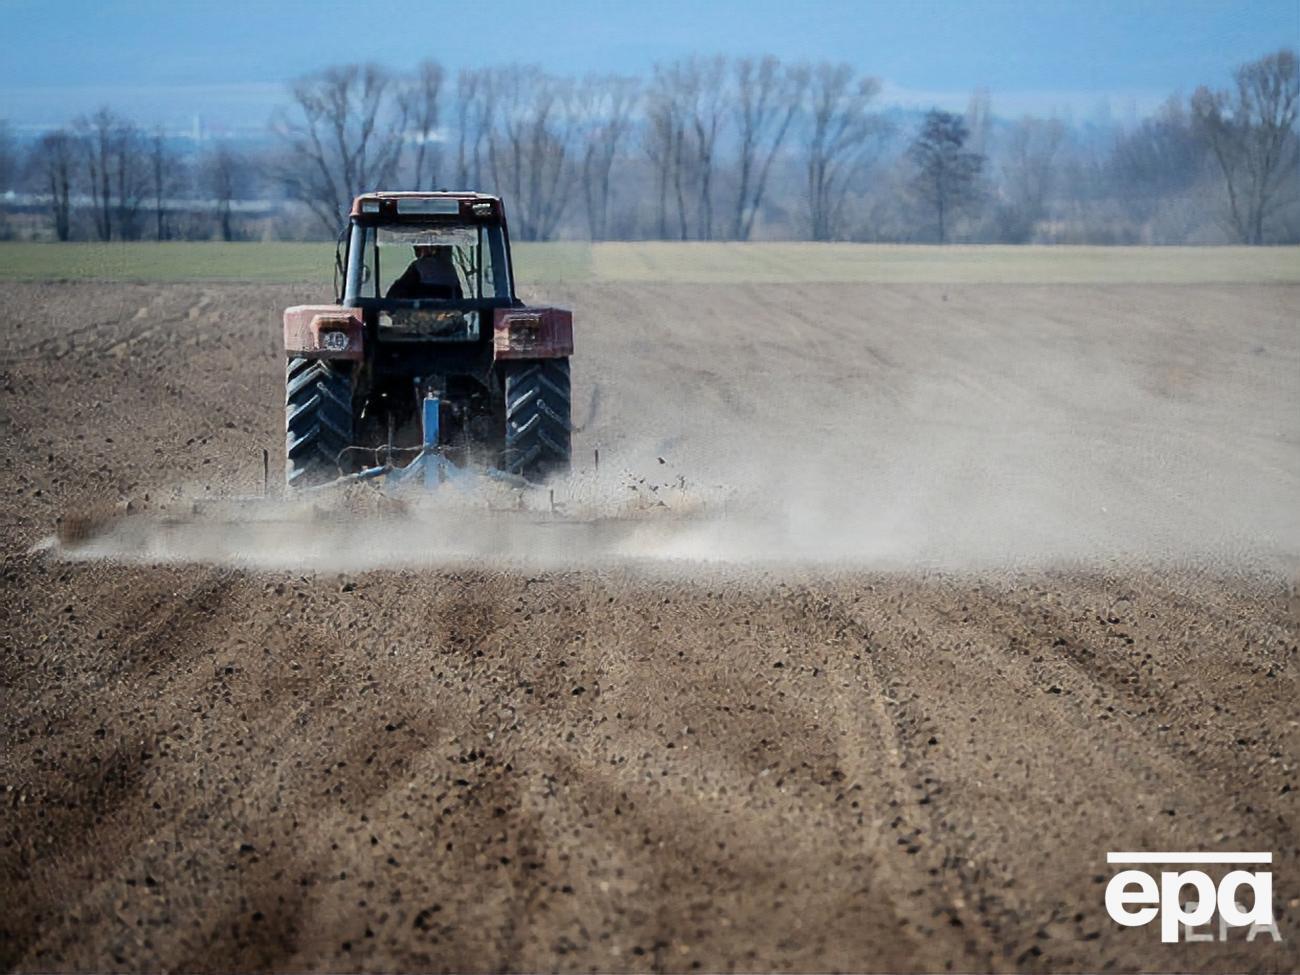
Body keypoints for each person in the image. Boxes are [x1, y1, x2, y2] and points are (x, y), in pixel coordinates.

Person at [385, 245, 464, 300]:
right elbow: (459, 297)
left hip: (424, 316)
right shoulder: (449, 267)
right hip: (447, 316)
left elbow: (394, 294)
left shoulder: (419, 266)